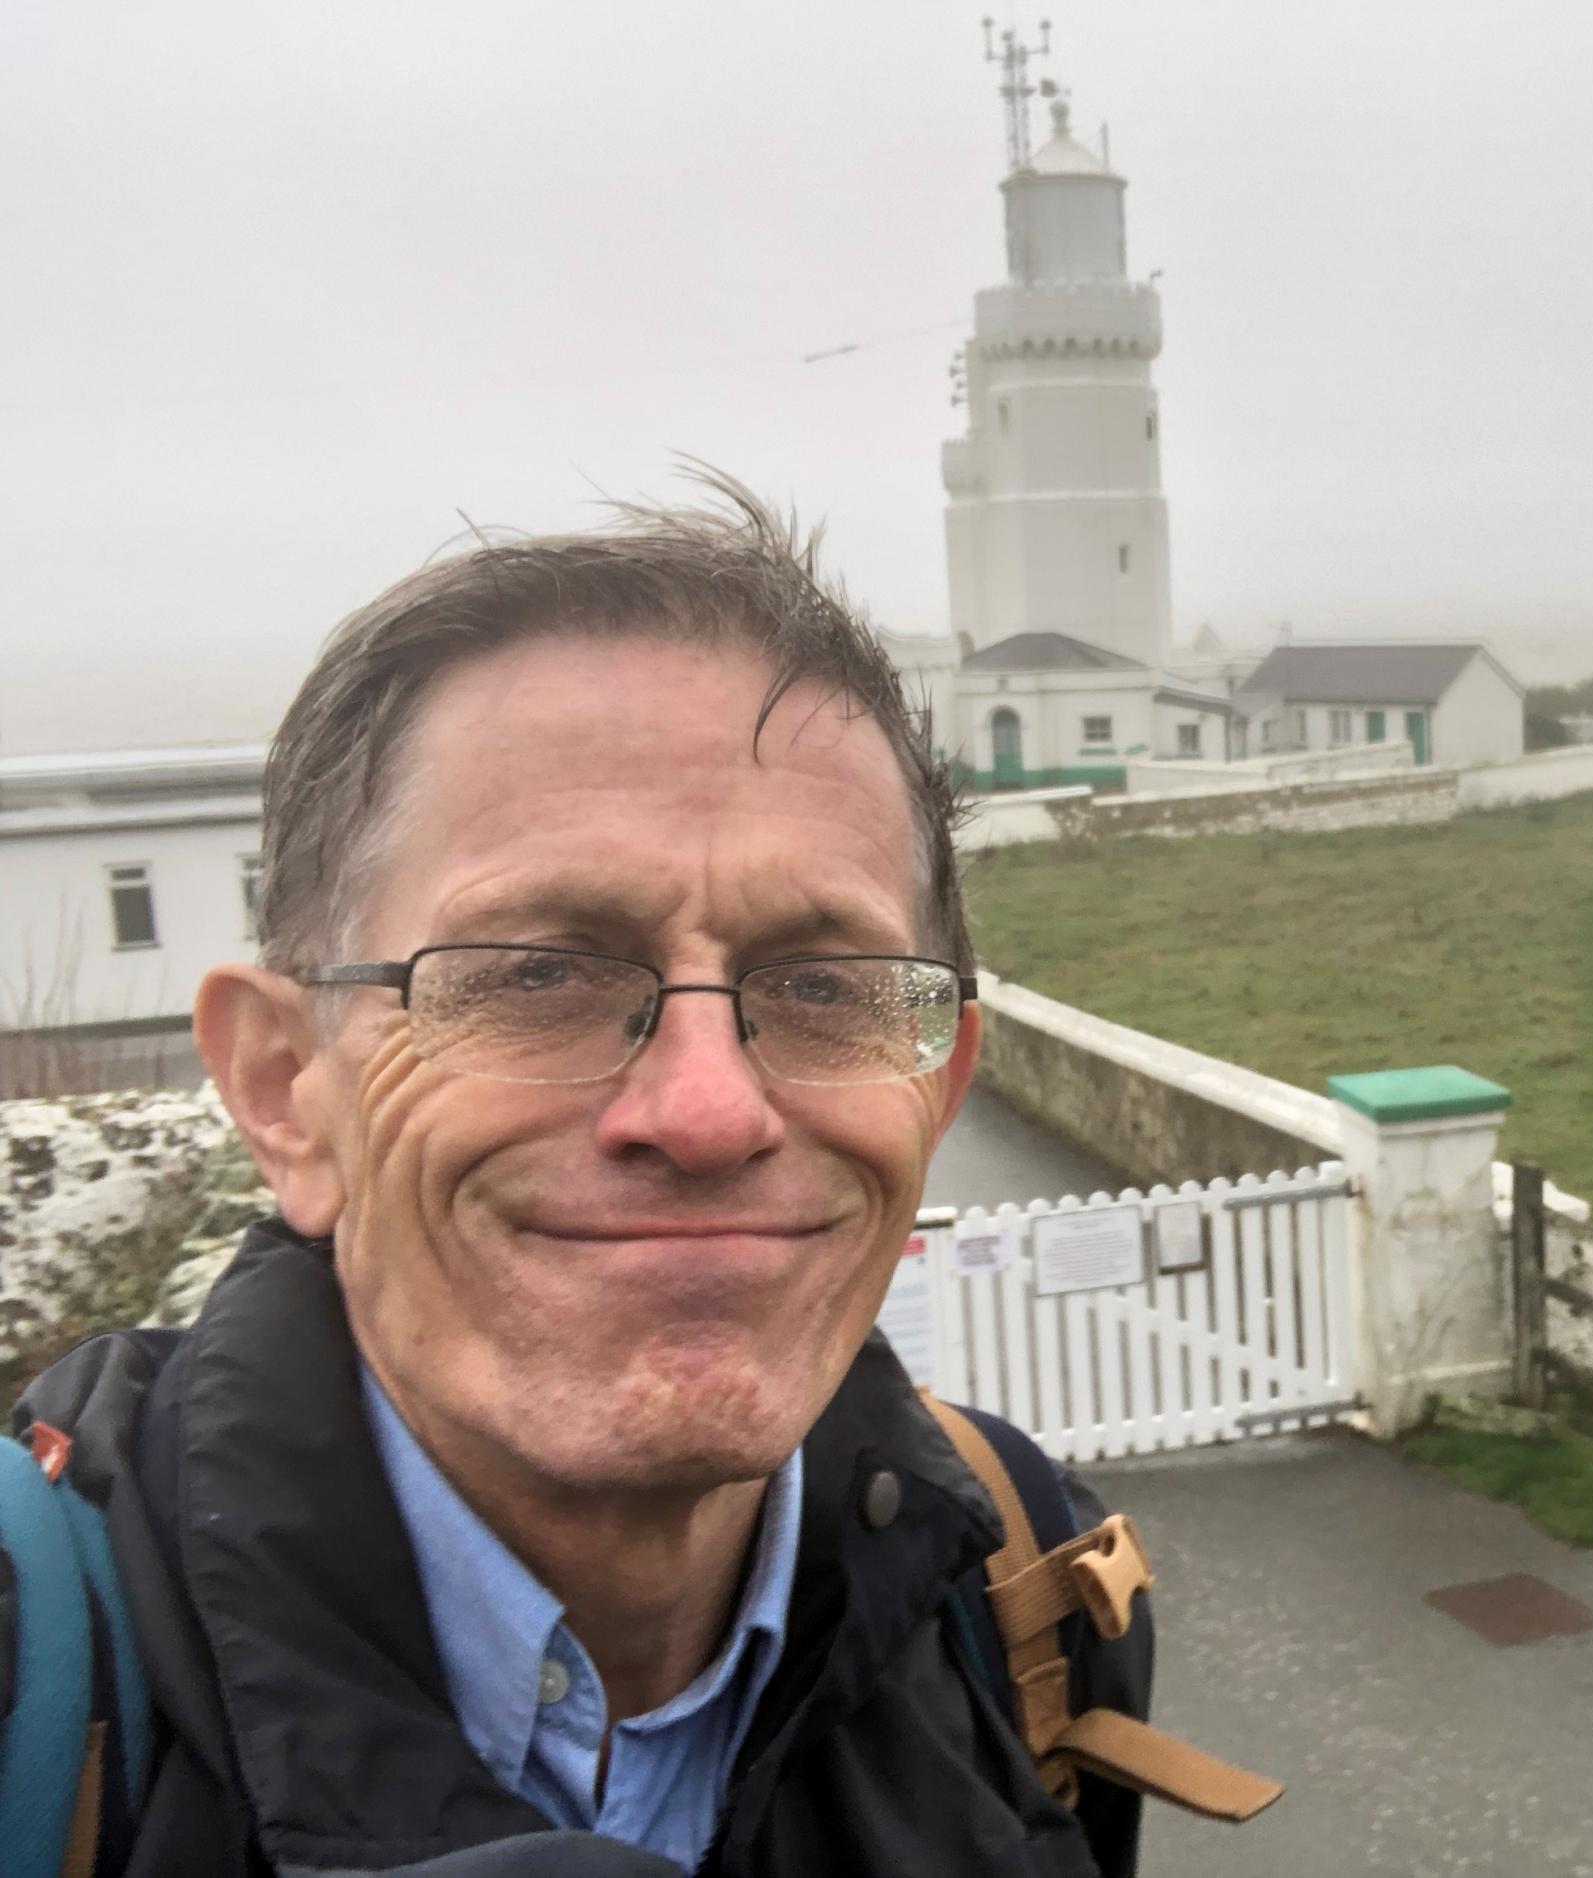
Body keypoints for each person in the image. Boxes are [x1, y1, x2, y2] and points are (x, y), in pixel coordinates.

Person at [13, 479, 1155, 1875]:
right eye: (538, 971)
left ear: (937, 1083)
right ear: (283, 1090)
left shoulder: (1024, 1590)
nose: (707, 1108)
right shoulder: (42, 1701)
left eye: (820, 982)